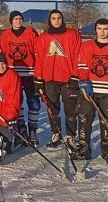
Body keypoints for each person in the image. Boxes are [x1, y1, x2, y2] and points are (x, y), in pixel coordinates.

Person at [75, 18, 108, 162]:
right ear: (95, 30)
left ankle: (105, 146)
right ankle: (84, 146)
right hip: (90, 89)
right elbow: (82, 66)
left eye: (105, 29)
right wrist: (84, 82)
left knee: (107, 119)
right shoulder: (86, 47)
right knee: (84, 117)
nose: (102, 32)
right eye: (99, 29)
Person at [34, 9, 82, 150]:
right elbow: (40, 59)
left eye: (59, 18)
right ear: (50, 20)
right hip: (50, 79)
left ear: (62, 19)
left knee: (71, 110)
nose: (56, 21)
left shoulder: (73, 35)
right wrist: (38, 78)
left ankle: (70, 137)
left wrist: (75, 75)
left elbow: (78, 56)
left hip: (68, 79)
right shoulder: (43, 38)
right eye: (53, 18)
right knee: (52, 109)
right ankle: (56, 134)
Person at [0, 10, 41, 146]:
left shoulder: (30, 32)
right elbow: (3, 53)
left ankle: (33, 130)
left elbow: (38, 51)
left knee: (34, 102)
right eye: (15, 19)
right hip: (13, 74)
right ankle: (22, 128)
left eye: (20, 18)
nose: (18, 21)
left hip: (29, 73)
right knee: (17, 102)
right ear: (11, 21)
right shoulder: (5, 34)